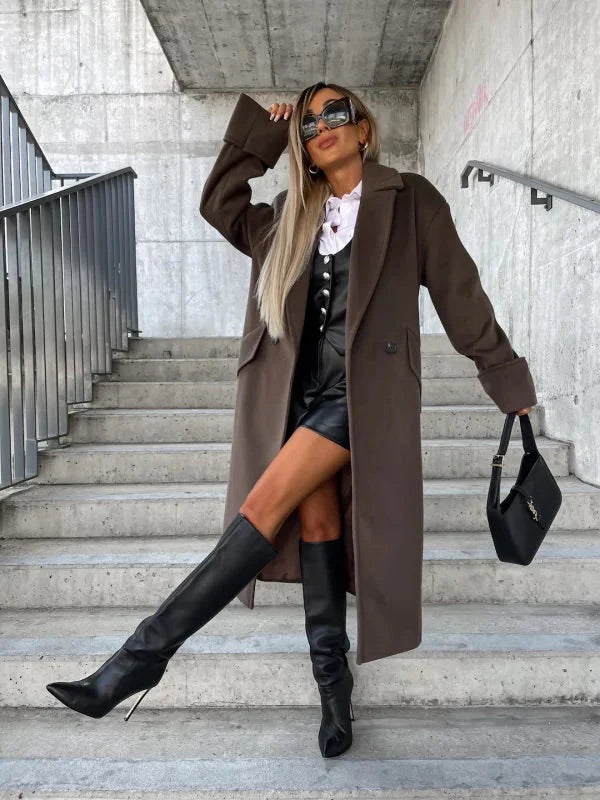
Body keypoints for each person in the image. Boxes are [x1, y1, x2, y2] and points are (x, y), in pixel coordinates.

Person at [45, 82, 534, 761]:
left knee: (261, 506)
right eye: (308, 122)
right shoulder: (288, 216)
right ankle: (335, 692)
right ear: (302, 146)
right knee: (318, 528)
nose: (322, 125)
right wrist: (262, 136)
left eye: (337, 112)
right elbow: (220, 204)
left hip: (362, 401)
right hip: (296, 400)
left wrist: (504, 376)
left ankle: (139, 659)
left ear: (363, 129)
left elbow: (461, 295)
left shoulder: (410, 200)